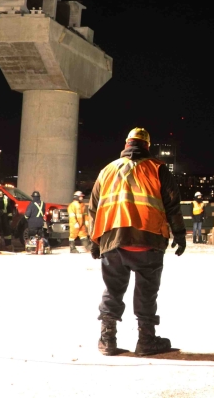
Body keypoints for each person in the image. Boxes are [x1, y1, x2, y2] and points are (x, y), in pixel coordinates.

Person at [88, 128, 186, 357]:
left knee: (112, 290)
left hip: (112, 239)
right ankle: (146, 340)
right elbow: (172, 204)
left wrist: (95, 241)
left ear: (126, 144)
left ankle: (107, 340)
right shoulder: (158, 169)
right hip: (148, 239)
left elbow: (93, 208)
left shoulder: (107, 170)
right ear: (147, 146)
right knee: (146, 292)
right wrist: (179, 234)